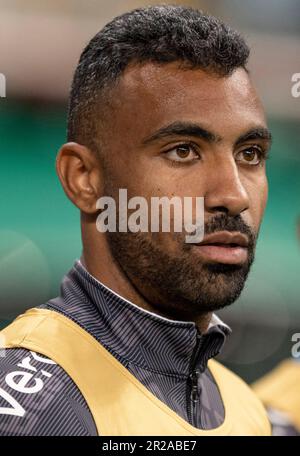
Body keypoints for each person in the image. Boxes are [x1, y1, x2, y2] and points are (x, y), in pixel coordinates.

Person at [0, 5, 273, 435]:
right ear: (84, 179)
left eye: (250, 154)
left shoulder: (243, 407)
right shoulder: (33, 414)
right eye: (183, 150)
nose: (234, 196)